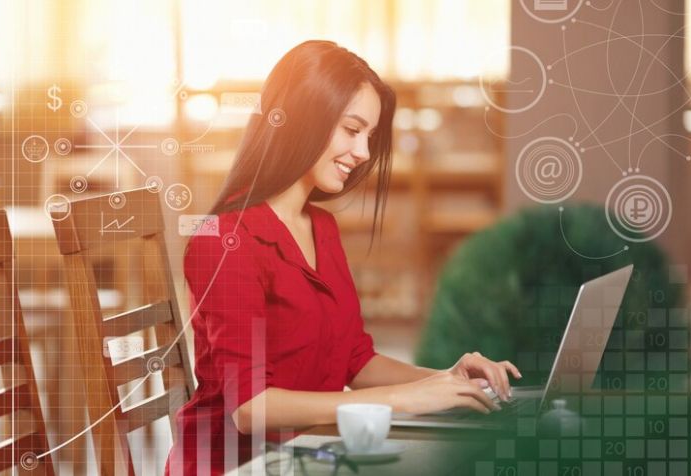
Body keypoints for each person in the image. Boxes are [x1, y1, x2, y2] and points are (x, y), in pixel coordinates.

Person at [166, 40, 521, 475]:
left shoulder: (321, 228)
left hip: (312, 455)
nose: (364, 153)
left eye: (369, 136)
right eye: (352, 130)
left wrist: (444, 381)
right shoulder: (223, 241)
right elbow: (251, 409)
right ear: (302, 119)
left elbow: (356, 359)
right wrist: (402, 399)